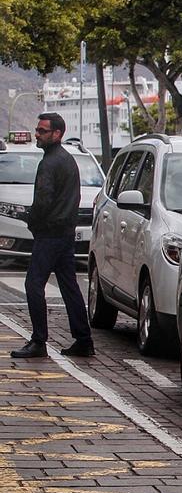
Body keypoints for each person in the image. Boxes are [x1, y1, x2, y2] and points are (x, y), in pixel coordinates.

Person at [12, 113, 93, 358]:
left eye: (42, 131)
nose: (37, 134)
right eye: (37, 130)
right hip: (65, 233)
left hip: (50, 234)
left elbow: (43, 200)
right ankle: (83, 339)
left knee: (33, 284)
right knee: (69, 286)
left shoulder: (50, 162)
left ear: (57, 134)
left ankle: (39, 341)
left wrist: (32, 222)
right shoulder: (67, 160)